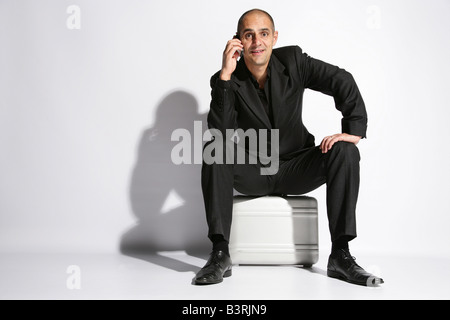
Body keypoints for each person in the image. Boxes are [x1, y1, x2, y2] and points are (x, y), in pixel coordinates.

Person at [194, 8, 384, 286]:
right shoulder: (226, 79)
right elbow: (220, 132)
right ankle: (220, 253)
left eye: (263, 34)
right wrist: (225, 75)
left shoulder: (294, 62)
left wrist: (353, 131)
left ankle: (341, 255)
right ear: (238, 41)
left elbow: (341, 79)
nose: (257, 41)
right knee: (214, 148)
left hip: (297, 166)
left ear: (274, 38)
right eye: (248, 35)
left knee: (345, 151)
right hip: (255, 170)